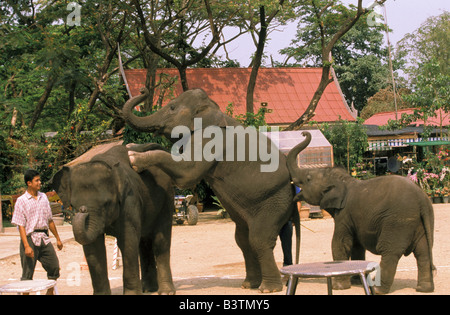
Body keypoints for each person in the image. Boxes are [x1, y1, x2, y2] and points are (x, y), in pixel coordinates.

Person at [11, 169, 63, 295]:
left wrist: (58, 238)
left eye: (39, 180)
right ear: (29, 183)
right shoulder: (22, 201)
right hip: (29, 239)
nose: (40, 182)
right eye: (37, 180)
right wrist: (26, 246)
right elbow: (21, 226)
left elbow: (50, 220)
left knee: (54, 266)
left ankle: (49, 292)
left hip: (44, 237)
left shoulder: (44, 197)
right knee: (27, 274)